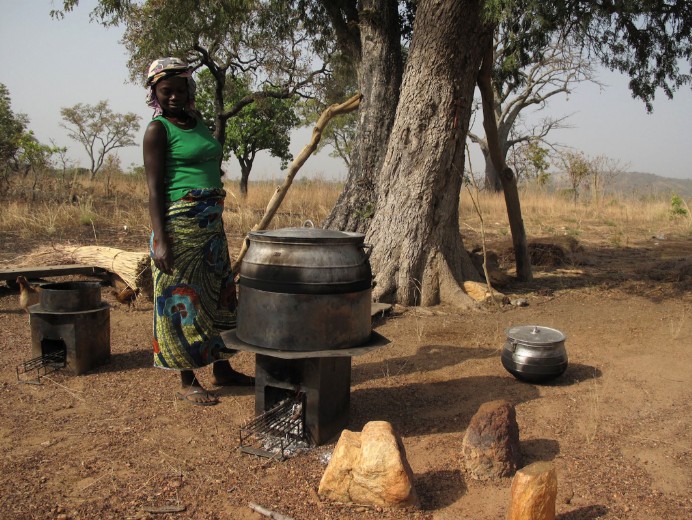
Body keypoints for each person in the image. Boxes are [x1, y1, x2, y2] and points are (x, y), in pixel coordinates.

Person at [143, 57, 253, 406]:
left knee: (220, 297)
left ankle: (223, 369)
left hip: (210, 226)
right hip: (179, 227)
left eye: (181, 89)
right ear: (155, 94)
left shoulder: (199, 122)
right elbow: (154, 190)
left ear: (191, 89)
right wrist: (161, 240)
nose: (174, 96)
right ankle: (186, 378)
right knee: (181, 301)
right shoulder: (158, 130)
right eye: (166, 91)